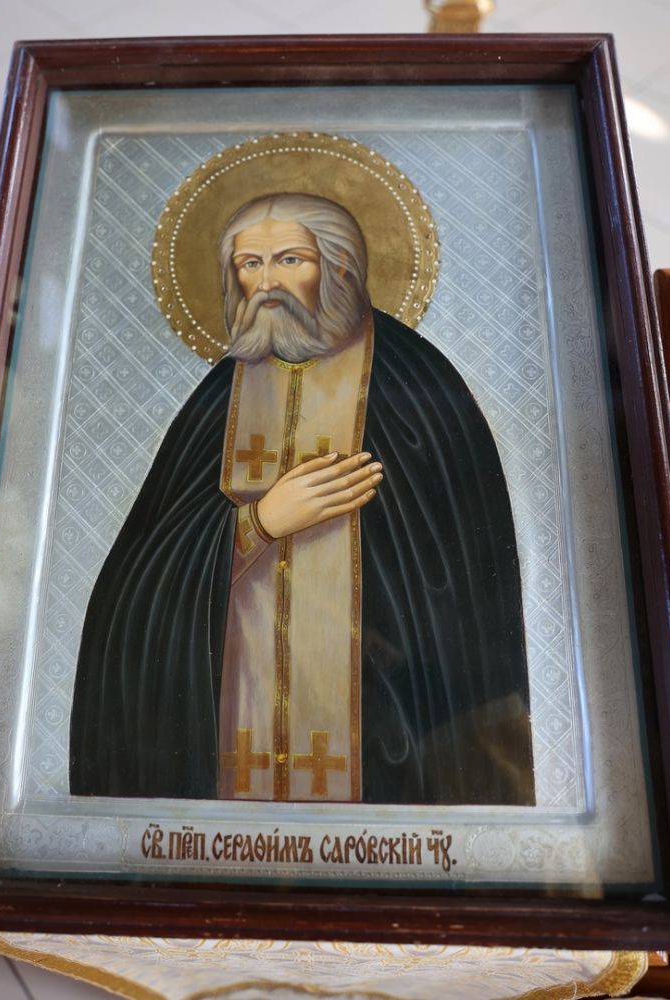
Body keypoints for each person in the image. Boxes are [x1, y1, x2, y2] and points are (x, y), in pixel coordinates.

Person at [69, 193, 535, 805]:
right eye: (249, 264)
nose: (267, 283)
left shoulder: (417, 387)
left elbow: (462, 591)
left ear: (340, 267)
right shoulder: (218, 398)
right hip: (229, 737)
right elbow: (135, 588)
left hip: (388, 744)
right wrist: (258, 523)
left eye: (289, 260)